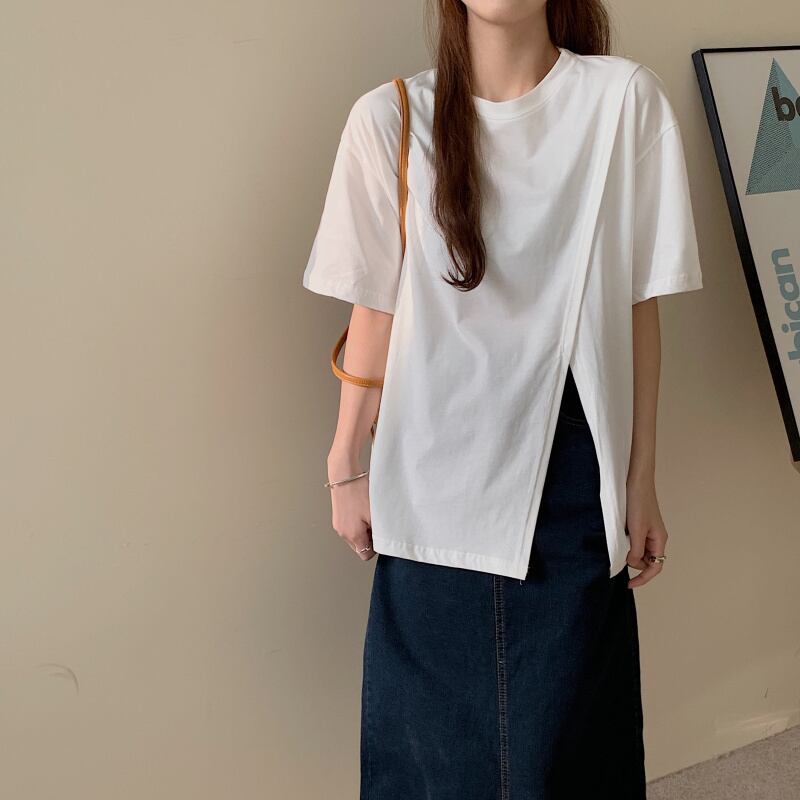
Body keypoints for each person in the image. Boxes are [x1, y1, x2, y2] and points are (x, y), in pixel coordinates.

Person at [301, 1, 703, 797]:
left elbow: (636, 306)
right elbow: (375, 308)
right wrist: (346, 462)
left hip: (571, 470)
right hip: (430, 466)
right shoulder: (389, 117)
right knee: (428, 760)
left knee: (575, 752)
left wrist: (640, 477)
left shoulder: (622, 100)